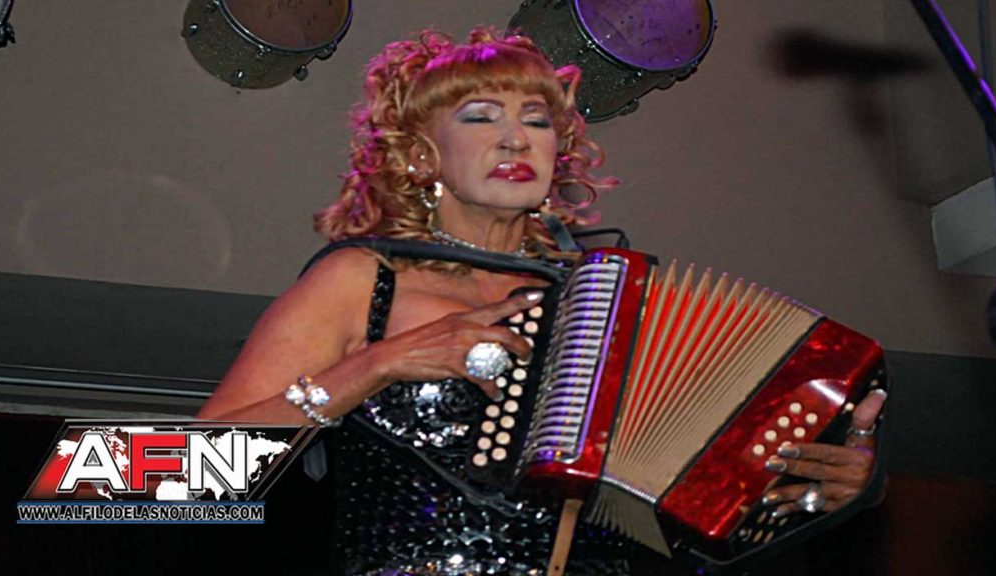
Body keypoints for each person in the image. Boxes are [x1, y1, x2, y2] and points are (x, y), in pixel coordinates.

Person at [197, 27, 887, 576]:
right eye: (480, 116)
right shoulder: (363, 279)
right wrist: (373, 366)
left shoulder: (605, 310)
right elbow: (165, 483)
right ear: (419, 157)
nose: (515, 137)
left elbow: (703, 524)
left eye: (537, 120)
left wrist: (816, 491)